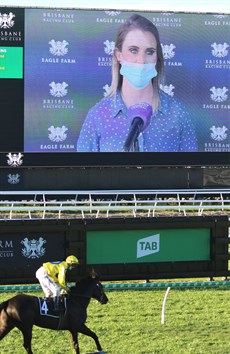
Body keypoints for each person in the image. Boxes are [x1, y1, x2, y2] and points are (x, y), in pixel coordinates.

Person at [77, 13, 198, 152]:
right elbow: (84, 172)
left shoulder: (177, 114)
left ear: (157, 57)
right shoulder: (98, 116)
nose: (141, 60)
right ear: (119, 55)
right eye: (133, 50)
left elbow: (190, 171)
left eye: (149, 52)